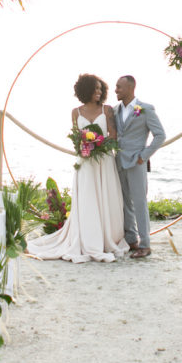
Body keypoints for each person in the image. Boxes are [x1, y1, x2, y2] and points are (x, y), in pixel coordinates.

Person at [27, 74, 129, 263]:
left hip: (104, 161)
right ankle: (88, 236)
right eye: (95, 88)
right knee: (87, 198)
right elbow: (76, 138)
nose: (99, 92)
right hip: (85, 162)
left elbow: (113, 137)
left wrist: (98, 143)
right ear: (86, 90)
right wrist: (85, 145)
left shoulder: (107, 111)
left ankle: (107, 237)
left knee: (105, 197)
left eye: (101, 88)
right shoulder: (76, 112)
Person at [113, 75, 166, 258]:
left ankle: (145, 244)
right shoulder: (115, 110)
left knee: (140, 203)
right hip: (119, 161)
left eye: (119, 87)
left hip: (137, 162)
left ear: (130, 88)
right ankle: (131, 239)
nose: (116, 90)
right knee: (125, 202)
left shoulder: (145, 109)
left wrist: (144, 156)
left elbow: (160, 135)